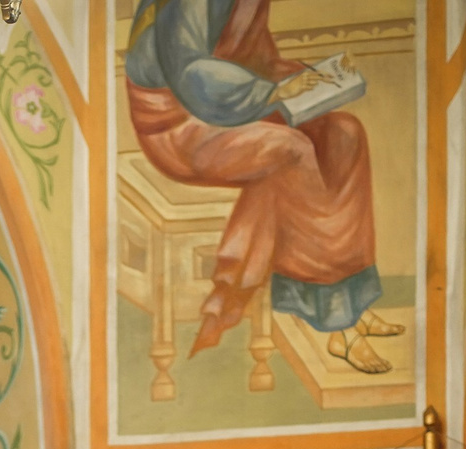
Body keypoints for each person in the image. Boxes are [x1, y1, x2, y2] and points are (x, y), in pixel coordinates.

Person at [125, 0, 399, 375]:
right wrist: (270, 92)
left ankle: (351, 301)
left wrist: (318, 77)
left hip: (232, 104)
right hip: (180, 122)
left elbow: (258, 63)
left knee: (344, 134)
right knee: (291, 149)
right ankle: (338, 324)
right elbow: (190, 73)